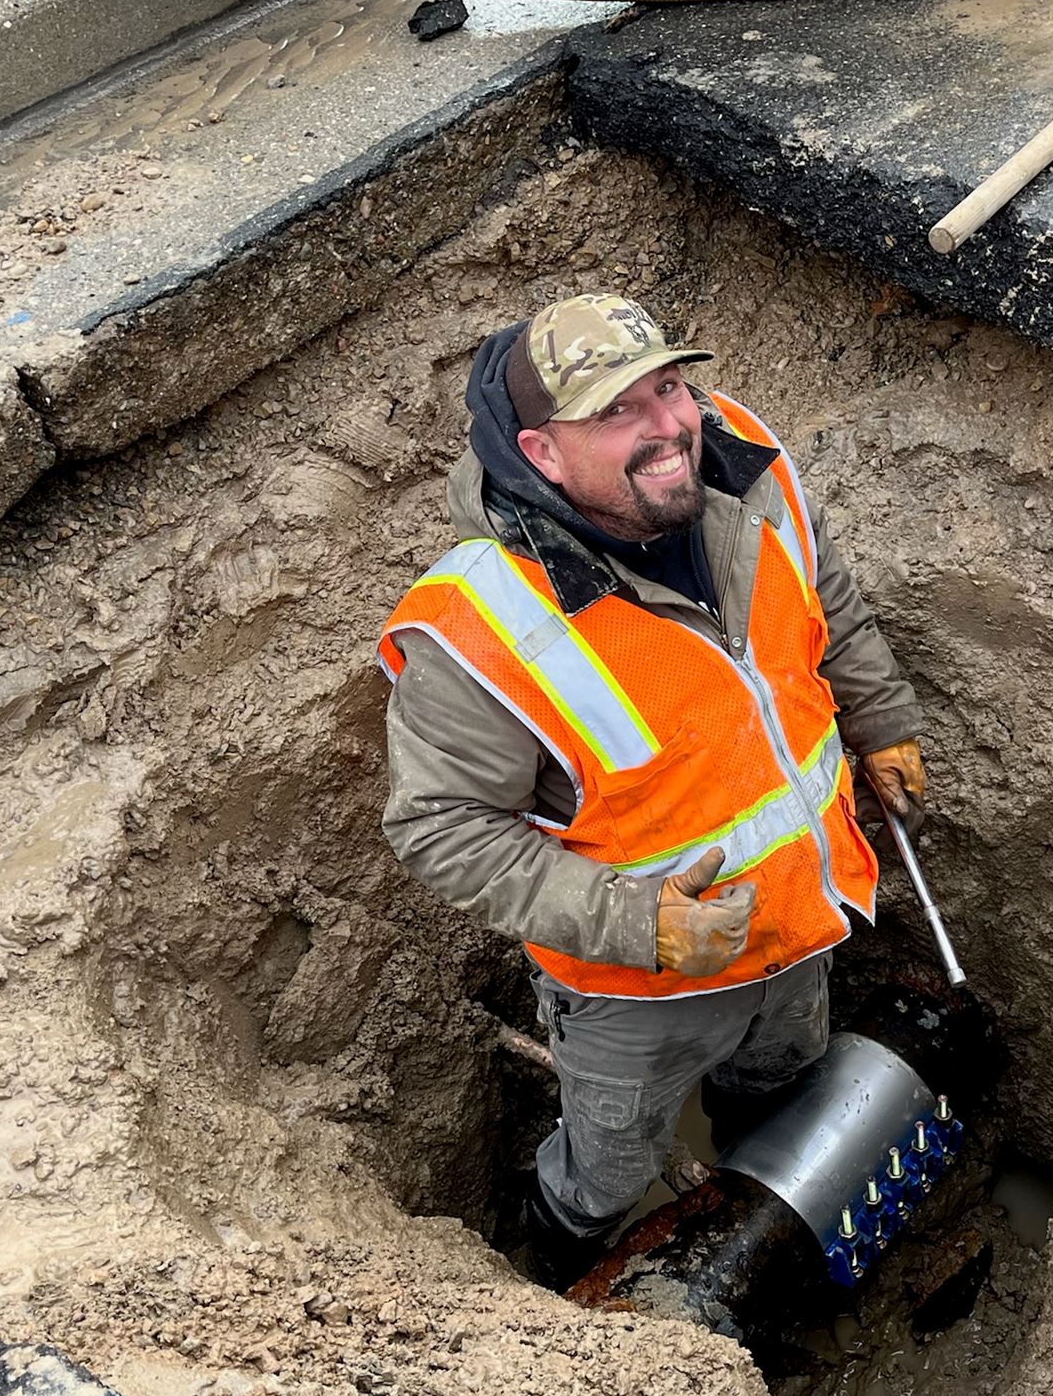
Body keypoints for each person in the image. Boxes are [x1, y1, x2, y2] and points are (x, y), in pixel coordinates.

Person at [377, 294, 926, 1284]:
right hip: (639, 991)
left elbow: (822, 594)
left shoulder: (745, 469)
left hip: (803, 917)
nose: (669, 426)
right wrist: (640, 926)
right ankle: (560, 1291)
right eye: (616, 412)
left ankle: (755, 1215)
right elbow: (441, 828)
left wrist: (878, 717)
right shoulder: (483, 630)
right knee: (606, 1176)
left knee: (784, 1091)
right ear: (543, 453)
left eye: (668, 387)